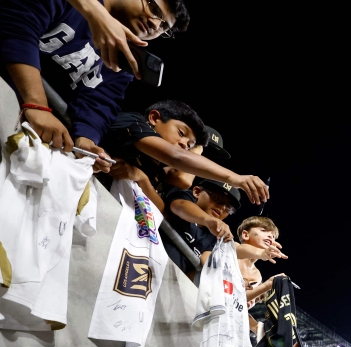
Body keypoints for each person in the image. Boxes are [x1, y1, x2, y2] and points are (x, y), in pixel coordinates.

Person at [0, 0, 189, 166]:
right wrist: (38, 104)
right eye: (154, 8)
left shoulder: (123, 59)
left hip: (25, 120)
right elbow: (16, 26)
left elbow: (101, 102)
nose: (155, 24)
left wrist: (87, 142)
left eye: (164, 26)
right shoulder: (77, 6)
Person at [100, 100, 269, 207]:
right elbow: (176, 157)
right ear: (154, 118)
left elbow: (163, 212)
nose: (183, 144)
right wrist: (236, 178)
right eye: (181, 133)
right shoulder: (134, 121)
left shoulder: (156, 168)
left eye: (190, 145)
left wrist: (141, 178)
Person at [160, 178, 241, 276]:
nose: (222, 207)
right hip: (145, 258)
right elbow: (179, 206)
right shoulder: (186, 197)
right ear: (197, 192)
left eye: (228, 208)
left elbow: (204, 262)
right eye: (217, 198)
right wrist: (207, 220)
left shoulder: (215, 234)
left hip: (167, 280)